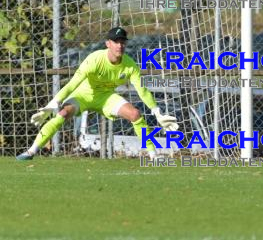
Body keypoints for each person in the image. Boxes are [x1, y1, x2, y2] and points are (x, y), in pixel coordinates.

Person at [17, 27, 179, 160]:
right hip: (84, 95)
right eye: (116, 42)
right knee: (63, 113)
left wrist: (157, 112)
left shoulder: (130, 65)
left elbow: (142, 91)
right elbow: (74, 83)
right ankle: (31, 151)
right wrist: (54, 102)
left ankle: (153, 155)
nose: (119, 45)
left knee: (135, 114)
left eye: (122, 42)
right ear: (108, 43)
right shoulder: (94, 59)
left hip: (106, 97)